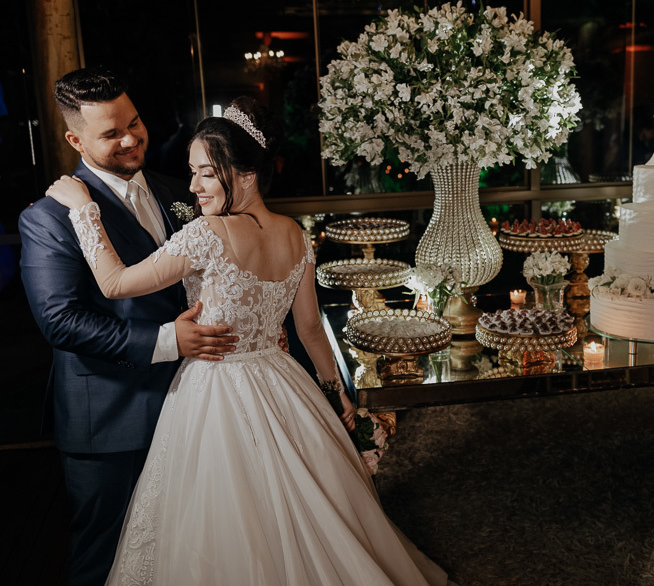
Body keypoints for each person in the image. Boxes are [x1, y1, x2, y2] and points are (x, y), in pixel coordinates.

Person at [46, 96, 450, 585]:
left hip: (212, 389)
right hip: (282, 383)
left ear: (246, 174)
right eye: (192, 173)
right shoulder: (296, 234)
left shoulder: (206, 234)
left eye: (205, 174)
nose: (193, 187)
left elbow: (114, 284)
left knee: (224, 520)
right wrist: (335, 393)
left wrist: (84, 210)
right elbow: (308, 331)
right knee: (302, 510)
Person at [18, 67, 238, 586]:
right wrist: (166, 340)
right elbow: (60, 321)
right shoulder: (49, 218)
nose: (130, 138)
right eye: (110, 133)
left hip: (197, 403)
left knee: (189, 549)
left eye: (133, 122)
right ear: (75, 140)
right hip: (111, 416)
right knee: (107, 556)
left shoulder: (177, 191)